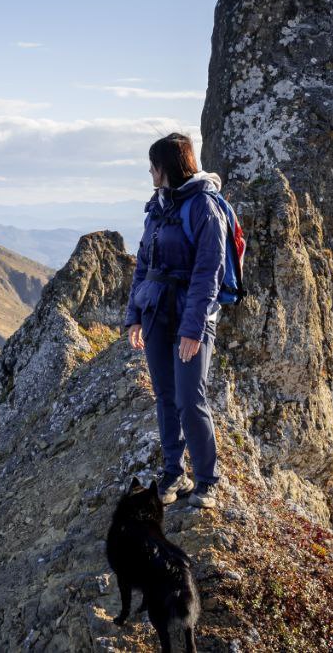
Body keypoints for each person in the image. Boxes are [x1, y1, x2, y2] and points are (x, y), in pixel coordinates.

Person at [123, 132, 227, 508]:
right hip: (156, 312)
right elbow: (144, 264)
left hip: (190, 316)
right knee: (165, 396)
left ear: (166, 167)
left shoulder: (203, 206)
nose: (150, 170)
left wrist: (193, 328)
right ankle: (173, 472)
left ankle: (207, 480)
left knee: (189, 397)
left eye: (153, 164)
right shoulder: (159, 205)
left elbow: (208, 272)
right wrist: (134, 315)